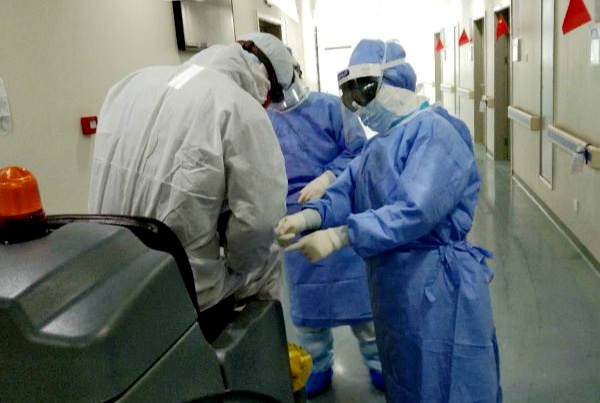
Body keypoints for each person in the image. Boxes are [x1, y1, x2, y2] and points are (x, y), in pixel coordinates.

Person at [277, 39, 502, 402]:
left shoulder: (436, 134)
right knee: (405, 375)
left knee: (448, 379)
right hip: (395, 287)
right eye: (351, 97)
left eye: (364, 92)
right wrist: (310, 215)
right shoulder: (381, 143)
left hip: (438, 285)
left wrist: (341, 237)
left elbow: (415, 210)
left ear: (395, 81)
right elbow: (350, 186)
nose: (360, 107)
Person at [88, 32, 294, 342]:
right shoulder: (239, 107)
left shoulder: (130, 84)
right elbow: (260, 222)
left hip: (111, 283)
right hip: (189, 298)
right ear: (267, 86)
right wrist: (239, 270)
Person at [267, 54, 383, 396]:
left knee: (361, 307)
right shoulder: (263, 120)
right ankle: (316, 364)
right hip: (293, 224)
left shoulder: (331, 107)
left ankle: (378, 362)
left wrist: (328, 177)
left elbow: (358, 150)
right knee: (309, 313)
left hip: (339, 215)